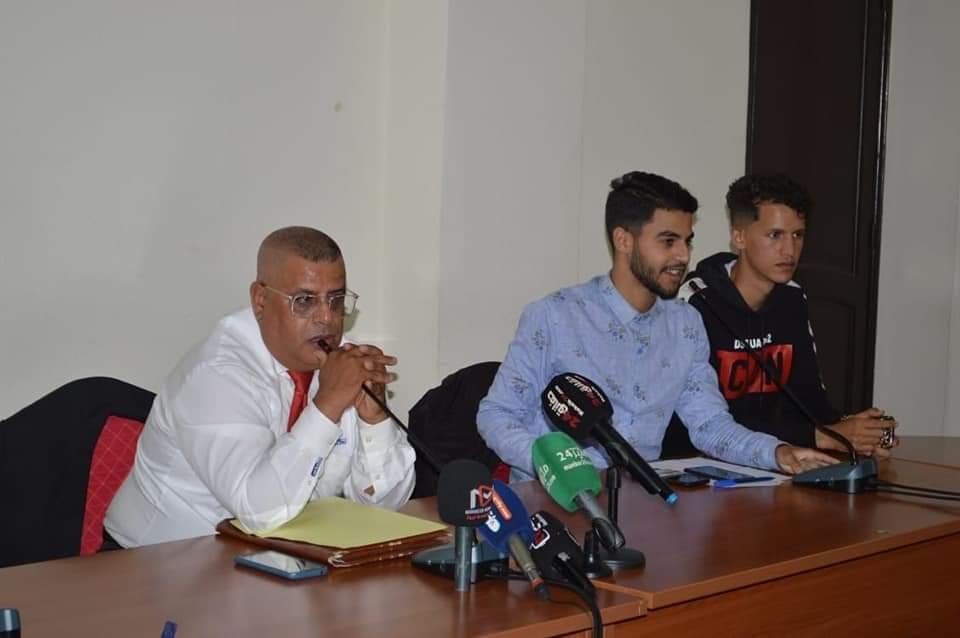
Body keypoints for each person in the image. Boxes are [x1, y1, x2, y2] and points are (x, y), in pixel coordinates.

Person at [477, 171, 837, 480]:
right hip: (555, 502)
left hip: (641, 501)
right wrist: (558, 466)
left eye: (687, 241)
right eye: (668, 241)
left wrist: (777, 453)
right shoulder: (556, 316)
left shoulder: (685, 324)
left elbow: (710, 426)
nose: (683, 256)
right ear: (624, 240)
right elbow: (497, 415)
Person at [105, 227, 415, 547]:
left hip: (277, 554)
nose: (327, 318)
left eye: (336, 300)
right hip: (157, 561)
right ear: (261, 300)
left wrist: (374, 420)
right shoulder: (215, 375)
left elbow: (385, 505)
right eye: (305, 301)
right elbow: (260, 511)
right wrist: (328, 405)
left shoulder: (341, 362)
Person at [675, 174, 897, 457]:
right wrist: (820, 436)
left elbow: (809, 401)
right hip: (702, 464)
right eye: (774, 235)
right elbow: (707, 424)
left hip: (780, 459)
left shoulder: (792, 297)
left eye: (798, 235)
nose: (789, 250)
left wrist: (855, 430)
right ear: (739, 237)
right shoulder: (693, 302)